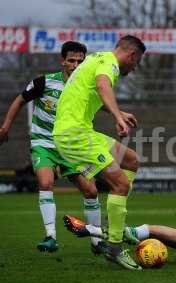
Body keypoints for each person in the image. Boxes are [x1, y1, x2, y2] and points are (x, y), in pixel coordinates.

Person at [0, 41, 104, 254]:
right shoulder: (44, 82)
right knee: (46, 183)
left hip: (70, 146)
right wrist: (5, 127)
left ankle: (96, 241)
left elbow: (102, 104)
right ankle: (50, 237)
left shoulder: (87, 86)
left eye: (80, 61)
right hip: (44, 143)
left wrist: (120, 114)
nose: (75, 65)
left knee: (91, 190)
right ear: (62, 61)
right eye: (71, 60)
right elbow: (20, 100)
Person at [53, 35, 146, 271]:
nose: (134, 69)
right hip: (74, 135)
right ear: (132, 55)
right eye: (136, 64)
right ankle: (114, 246)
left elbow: (94, 91)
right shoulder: (110, 65)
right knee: (121, 184)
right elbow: (103, 85)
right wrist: (117, 117)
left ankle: (114, 225)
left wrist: (119, 111)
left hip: (83, 131)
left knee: (132, 160)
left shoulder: (99, 58)